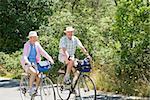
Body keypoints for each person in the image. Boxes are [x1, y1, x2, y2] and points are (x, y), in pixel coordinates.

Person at [20, 31, 54, 95]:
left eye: (36, 37)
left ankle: (36, 90)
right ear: (30, 38)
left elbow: (43, 52)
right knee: (34, 72)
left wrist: (50, 59)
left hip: (35, 62)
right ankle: (30, 89)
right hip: (27, 63)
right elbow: (24, 56)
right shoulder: (26, 45)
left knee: (39, 76)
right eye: (34, 37)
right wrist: (28, 62)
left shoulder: (37, 44)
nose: (36, 38)